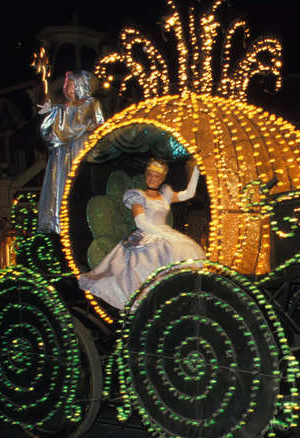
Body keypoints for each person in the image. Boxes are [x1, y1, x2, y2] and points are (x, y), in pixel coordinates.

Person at [79, 159, 205, 310]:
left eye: (157, 176)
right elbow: (141, 223)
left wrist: (197, 170)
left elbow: (189, 194)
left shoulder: (165, 195)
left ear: (162, 179)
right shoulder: (138, 196)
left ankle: (171, 299)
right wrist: (166, 236)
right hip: (146, 236)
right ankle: (147, 301)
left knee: (188, 250)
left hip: (164, 233)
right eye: (150, 175)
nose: (152, 179)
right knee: (163, 253)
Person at [37, 71, 104, 233]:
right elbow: (52, 134)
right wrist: (51, 115)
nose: (67, 88)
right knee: (62, 189)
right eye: (67, 84)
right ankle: (61, 223)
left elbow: (101, 128)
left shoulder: (91, 104)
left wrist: (87, 131)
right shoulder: (59, 109)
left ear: (80, 85)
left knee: (81, 185)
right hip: (62, 157)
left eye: (71, 83)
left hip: (82, 152)